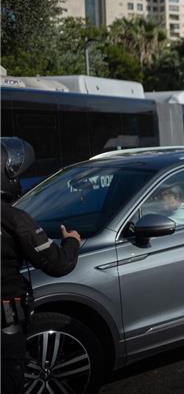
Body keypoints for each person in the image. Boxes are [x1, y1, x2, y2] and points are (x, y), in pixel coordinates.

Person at [1, 138, 81, 393]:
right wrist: (72, 242)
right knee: (9, 378)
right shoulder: (14, 219)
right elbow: (58, 264)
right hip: (6, 320)